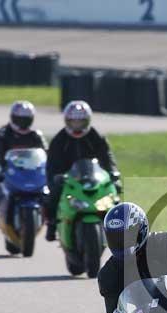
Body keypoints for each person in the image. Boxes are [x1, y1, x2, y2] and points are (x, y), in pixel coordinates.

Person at [44, 100, 122, 241]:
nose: (77, 125)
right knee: (52, 193)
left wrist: (113, 173)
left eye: (80, 122)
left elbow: (107, 157)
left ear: (87, 121)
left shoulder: (96, 137)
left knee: (114, 193)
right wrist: (55, 177)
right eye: (73, 121)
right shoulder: (59, 139)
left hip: (94, 178)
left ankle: (117, 226)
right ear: (67, 121)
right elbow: (51, 163)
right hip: (68, 179)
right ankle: (51, 224)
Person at [0, 101, 47, 219]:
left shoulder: (36, 135)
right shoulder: (2, 134)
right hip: (8, 167)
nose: (22, 123)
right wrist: (2, 166)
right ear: (13, 118)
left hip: (30, 168)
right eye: (19, 119)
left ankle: (48, 209)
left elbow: (45, 153)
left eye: (26, 119)